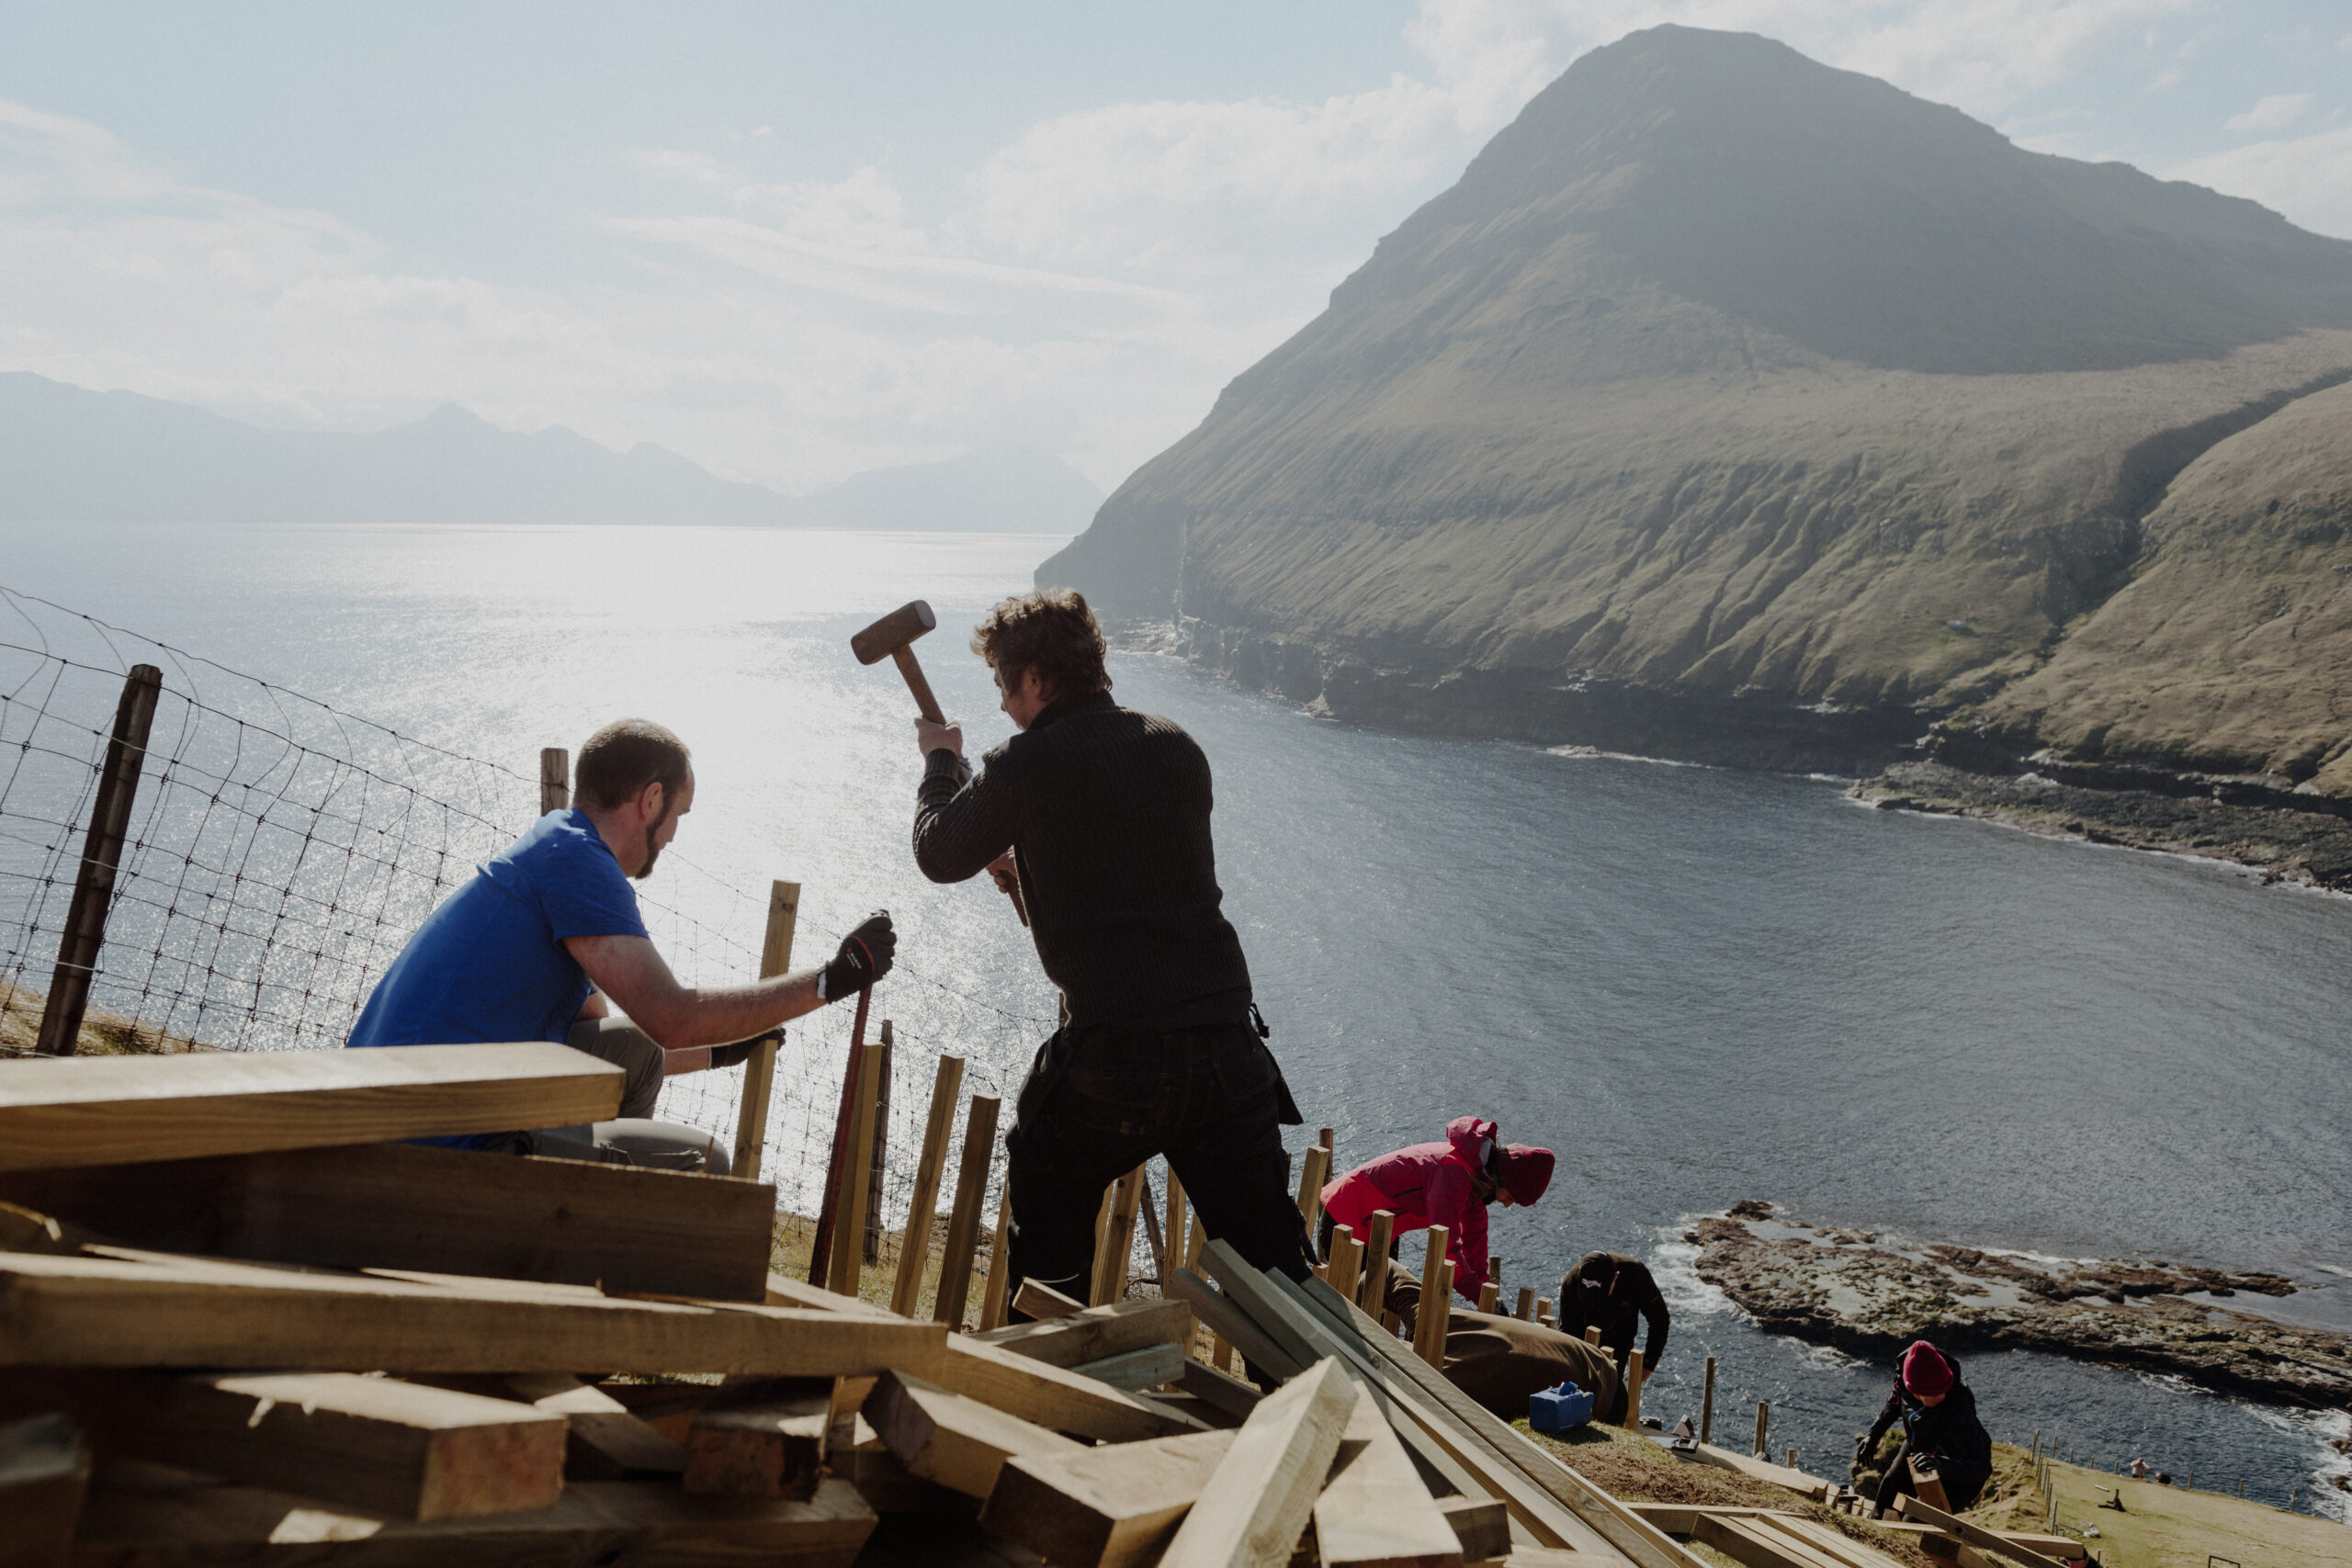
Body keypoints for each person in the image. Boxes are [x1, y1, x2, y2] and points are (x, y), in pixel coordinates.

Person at [910, 588, 1310, 1312]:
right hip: (1226, 1047)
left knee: (1049, 1198)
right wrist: (1025, 865)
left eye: (1004, 683)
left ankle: (1052, 1374)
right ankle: (1321, 1410)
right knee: (1272, 1265)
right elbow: (1128, 887)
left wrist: (943, 763)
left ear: (1035, 678)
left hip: (1115, 1059)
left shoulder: (1022, 763)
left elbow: (939, 851)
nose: (1002, 702)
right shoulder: (1176, 746)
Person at [349, 718, 895, 1168]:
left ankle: (585, 1218)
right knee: (706, 1162)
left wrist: (720, 1050)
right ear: (651, 800)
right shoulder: (579, 866)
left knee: (631, 1050)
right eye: (679, 814)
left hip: (395, 1113)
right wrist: (833, 978)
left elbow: (613, 1040)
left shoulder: (558, 843)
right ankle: (597, 1267)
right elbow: (673, 1017)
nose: (676, 834)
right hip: (428, 1147)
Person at [1318, 1116, 1555, 1304]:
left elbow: (1475, 1240)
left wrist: (1487, 1295)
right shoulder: (1453, 1173)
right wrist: (1475, 1292)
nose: (1506, 1204)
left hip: (1381, 1228)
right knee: (1353, 1310)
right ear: (1501, 1178)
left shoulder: (1475, 1181)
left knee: (1379, 1308)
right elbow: (1444, 1248)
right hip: (1347, 1217)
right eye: (1511, 1197)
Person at [1857, 1340, 1994, 1519]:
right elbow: (1893, 1405)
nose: (1940, 1397)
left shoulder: (1960, 1410)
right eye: (1931, 1395)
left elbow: (1982, 1468)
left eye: (1943, 1391)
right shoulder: (1903, 1380)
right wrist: (1873, 1436)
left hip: (1957, 1474)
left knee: (1912, 1522)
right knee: (1884, 1501)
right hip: (1919, 1449)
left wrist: (1942, 1465)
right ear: (1911, 1389)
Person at [1556, 1250, 1671, 1393]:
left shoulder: (1635, 1276)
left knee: (1611, 1389)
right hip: (1583, 1331)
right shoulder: (1571, 1282)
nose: (1595, 1300)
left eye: (1599, 1295)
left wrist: (1649, 1362)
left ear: (1615, 1278)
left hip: (1619, 1335)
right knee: (1575, 1379)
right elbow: (1567, 1330)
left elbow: (1659, 1319)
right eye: (1589, 1296)